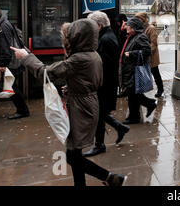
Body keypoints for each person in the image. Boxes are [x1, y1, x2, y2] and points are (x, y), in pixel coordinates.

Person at [11, 19, 126, 186]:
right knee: (74, 154)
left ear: (77, 37)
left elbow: (46, 73)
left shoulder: (79, 58)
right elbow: (90, 80)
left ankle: (111, 178)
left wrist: (26, 57)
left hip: (81, 108)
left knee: (72, 155)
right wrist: (71, 87)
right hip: (86, 103)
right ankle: (107, 179)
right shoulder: (93, 54)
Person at [83, 12, 130, 157]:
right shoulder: (105, 36)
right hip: (105, 83)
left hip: (105, 84)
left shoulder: (106, 39)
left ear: (99, 25)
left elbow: (105, 64)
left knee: (98, 114)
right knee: (101, 112)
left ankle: (100, 145)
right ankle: (120, 128)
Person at [0, 5, 29, 119]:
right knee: (7, 86)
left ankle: (23, 111)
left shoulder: (3, 26)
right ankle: (23, 110)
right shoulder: (1, 24)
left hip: (8, 62)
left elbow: (5, 47)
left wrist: (2, 64)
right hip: (6, 62)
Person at [120, 17, 157, 124]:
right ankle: (144, 108)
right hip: (131, 69)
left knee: (133, 94)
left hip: (135, 70)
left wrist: (131, 54)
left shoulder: (140, 37)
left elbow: (147, 51)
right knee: (133, 94)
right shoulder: (133, 36)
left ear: (134, 27)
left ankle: (135, 116)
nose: (127, 27)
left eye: (129, 26)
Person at [135, 12, 164, 98]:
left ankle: (160, 89)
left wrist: (146, 52)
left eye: (138, 18)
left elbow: (154, 43)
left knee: (155, 73)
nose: (137, 20)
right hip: (142, 56)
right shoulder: (139, 28)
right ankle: (140, 91)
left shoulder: (151, 28)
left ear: (143, 19)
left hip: (151, 56)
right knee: (141, 74)